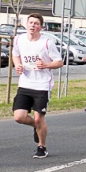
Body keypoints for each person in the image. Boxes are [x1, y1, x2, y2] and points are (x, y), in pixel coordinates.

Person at [11, 13, 64, 159]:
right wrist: (17, 65)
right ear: (26, 24)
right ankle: (36, 127)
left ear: (41, 27)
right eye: (31, 23)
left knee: (39, 118)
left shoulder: (47, 42)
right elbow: (15, 54)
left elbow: (59, 62)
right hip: (25, 83)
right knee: (19, 117)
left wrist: (46, 65)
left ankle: (42, 146)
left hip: (42, 85)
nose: (33, 26)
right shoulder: (19, 39)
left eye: (36, 24)